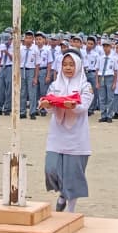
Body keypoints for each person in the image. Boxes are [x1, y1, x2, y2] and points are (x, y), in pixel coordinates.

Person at [41, 50, 94, 213]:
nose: (68, 68)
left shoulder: (85, 86)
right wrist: (47, 105)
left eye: (71, 65)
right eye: (65, 65)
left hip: (76, 136)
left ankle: (70, 210)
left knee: (72, 176)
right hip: (57, 134)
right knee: (51, 168)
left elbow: (84, 106)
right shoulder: (55, 85)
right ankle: (62, 192)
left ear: (78, 66)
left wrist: (73, 106)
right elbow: (50, 105)